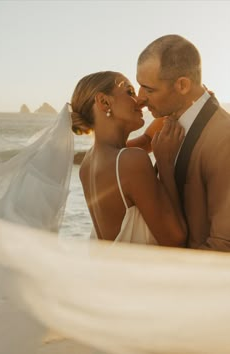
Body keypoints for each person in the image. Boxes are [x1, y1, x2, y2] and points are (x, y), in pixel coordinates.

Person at [70, 70, 187, 246]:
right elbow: (175, 239)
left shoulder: (89, 161)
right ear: (104, 102)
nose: (140, 101)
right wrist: (165, 165)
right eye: (130, 92)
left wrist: (179, 107)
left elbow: (147, 140)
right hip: (143, 273)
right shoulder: (130, 161)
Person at [136, 34, 230, 251]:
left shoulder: (223, 138)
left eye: (149, 89)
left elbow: (224, 247)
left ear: (183, 85)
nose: (140, 99)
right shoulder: (167, 125)